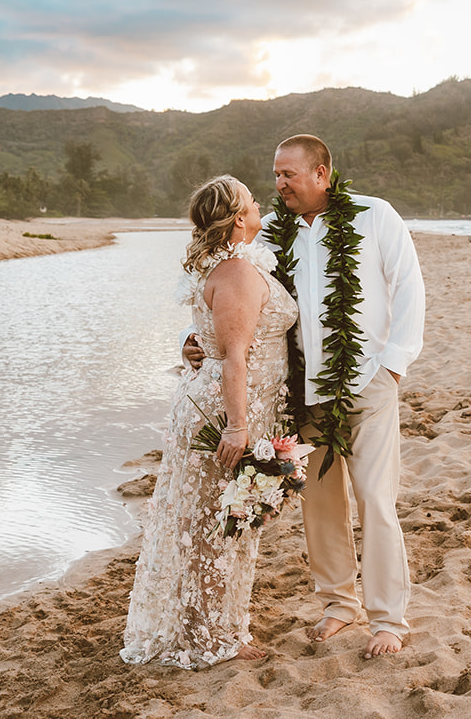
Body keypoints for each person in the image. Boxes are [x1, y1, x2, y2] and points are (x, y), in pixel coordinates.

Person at [185, 135, 425, 658]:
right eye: (274, 175)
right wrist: (199, 340)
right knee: (320, 504)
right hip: (304, 390)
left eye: (288, 174)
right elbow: (235, 290)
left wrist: (394, 365)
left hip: (369, 382)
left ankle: (388, 619)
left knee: (377, 501)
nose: (278, 184)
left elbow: (409, 287)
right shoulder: (272, 229)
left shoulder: (374, 216)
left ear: (321, 174)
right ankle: (339, 604)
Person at [121, 175, 298, 669]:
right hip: (223, 413)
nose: (262, 203)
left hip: (229, 404)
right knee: (214, 526)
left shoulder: (228, 265)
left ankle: (216, 628)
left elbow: (212, 336)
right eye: (253, 201)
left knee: (222, 521)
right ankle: (207, 638)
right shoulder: (238, 271)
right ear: (240, 217)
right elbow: (235, 356)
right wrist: (238, 427)